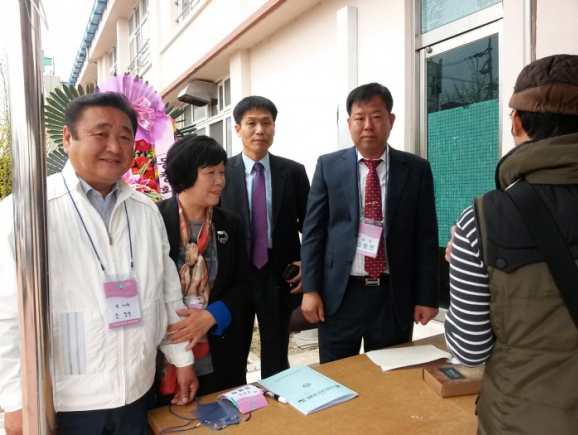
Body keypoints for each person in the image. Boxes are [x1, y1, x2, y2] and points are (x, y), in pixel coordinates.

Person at [0, 93, 197, 435]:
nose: (114, 146)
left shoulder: (146, 211)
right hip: (65, 401)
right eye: (101, 133)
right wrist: (16, 402)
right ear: (68, 137)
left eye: (124, 136)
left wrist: (182, 359)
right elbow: (6, 316)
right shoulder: (27, 211)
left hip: (137, 389)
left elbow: (167, 294)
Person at [444, 54, 578, 434]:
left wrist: (461, 265)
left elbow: (469, 350)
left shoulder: (483, 220)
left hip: (521, 419)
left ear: (517, 122)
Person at [301, 82, 439, 364]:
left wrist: (427, 296)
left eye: (376, 116)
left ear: (391, 120)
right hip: (340, 295)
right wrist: (310, 290)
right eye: (359, 118)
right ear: (349, 123)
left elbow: (425, 237)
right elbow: (313, 232)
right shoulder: (328, 166)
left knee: (391, 375)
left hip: (393, 295)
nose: (367, 126)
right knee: (338, 374)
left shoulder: (416, 169)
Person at [219, 96, 310, 378]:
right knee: (233, 350)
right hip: (236, 275)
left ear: (274, 127)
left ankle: (277, 397)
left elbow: (311, 224)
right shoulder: (221, 172)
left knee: (276, 350)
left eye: (266, 123)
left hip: (278, 274)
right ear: (238, 129)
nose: (260, 130)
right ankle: (237, 397)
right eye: (251, 123)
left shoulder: (293, 172)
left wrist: (306, 263)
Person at [156, 135, 251, 398]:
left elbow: (244, 284)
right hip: (166, 354)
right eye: (210, 173)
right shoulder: (154, 219)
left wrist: (211, 316)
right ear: (185, 175)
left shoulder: (230, 223)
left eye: (222, 172)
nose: (220, 181)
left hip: (219, 352)